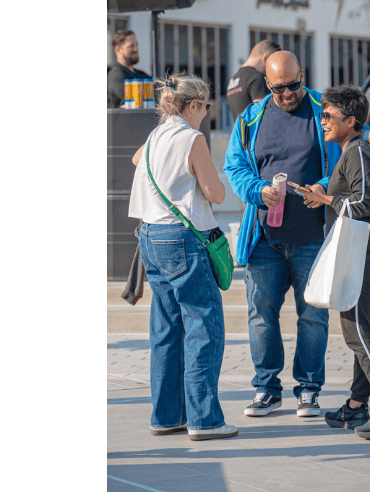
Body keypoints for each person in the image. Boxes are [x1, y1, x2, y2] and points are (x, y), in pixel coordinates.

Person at [224, 51, 342, 418]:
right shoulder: (252, 116)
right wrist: (258, 190)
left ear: (303, 75)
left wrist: (322, 188)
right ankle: (267, 389)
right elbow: (235, 165)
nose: (287, 94)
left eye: (294, 85)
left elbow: (343, 163)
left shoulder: (326, 111)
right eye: (278, 89)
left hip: (312, 236)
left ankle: (309, 389)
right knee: (261, 314)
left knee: (313, 317)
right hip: (264, 238)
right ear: (267, 83)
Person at [127, 73, 238, 441]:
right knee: (203, 327)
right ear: (193, 105)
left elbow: (135, 159)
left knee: (166, 330)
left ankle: (166, 415)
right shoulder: (193, 138)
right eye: (205, 106)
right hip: (182, 240)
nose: (206, 113)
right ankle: (204, 420)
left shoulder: (155, 135)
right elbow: (215, 193)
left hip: (149, 236)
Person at [299, 84, 370, 440]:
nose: (323, 122)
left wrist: (327, 197)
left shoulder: (358, 152)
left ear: (351, 120)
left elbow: (365, 204)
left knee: (357, 329)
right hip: (359, 249)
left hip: (364, 250)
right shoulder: (350, 151)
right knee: (357, 324)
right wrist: (325, 198)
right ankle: (356, 404)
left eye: (329, 116)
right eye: (322, 115)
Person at [226, 39, 281, 119]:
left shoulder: (233, 80)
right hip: (256, 131)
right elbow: (263, 115)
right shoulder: (257, 78)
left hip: (240, 130)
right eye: (274, 63)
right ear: (265, 58)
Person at [108, 30, 152, 108]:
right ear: (118, 49)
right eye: (131, 46)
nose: (136, 49)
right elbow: (136, 103)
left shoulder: (141, 74)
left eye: (136, 45)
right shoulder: (117, 76)